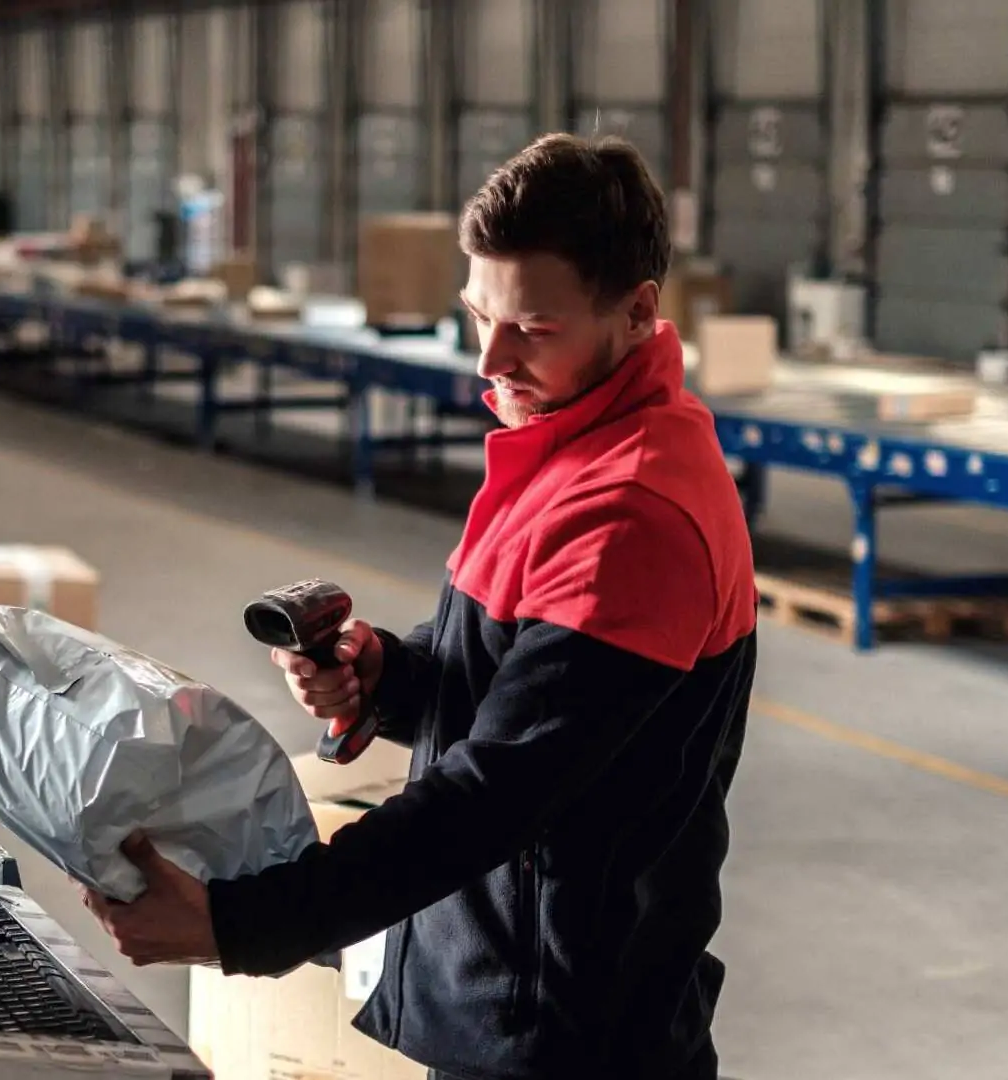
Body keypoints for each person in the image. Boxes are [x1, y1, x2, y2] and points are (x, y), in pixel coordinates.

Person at [83, 133, 759, 1080]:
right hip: (515, 996)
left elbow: (495, 795)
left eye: (533, 327)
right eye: (477, 314)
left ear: (639, 311)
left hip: (569, 1032)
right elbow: (513, 683)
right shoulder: (564, 450)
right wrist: (388, 675)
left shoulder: (633, 515)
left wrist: (243, 923)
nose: (490, 356)